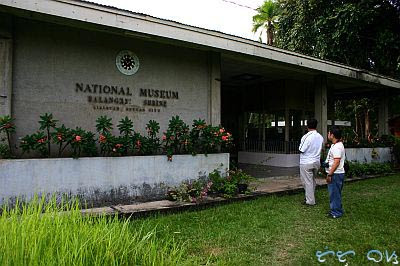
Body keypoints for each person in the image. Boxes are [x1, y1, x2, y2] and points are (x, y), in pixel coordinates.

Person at [298, 118, 324, 206]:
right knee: (312, 180)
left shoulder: (306, 136)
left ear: (307, 126)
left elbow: (301, 149)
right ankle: (310, 197)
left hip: (306, 162)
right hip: (316, 162)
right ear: (316, 125)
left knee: (307, 182)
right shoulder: (320, 137)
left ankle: (310, 201)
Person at [324, 126, 346, 218]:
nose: (328, 135)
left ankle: (336, 213)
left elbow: (336, 162)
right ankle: (337, 209)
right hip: (336, 173)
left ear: (332, 135)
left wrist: (330, 174)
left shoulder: (337, 147)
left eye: (329, 133)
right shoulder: (336, 145)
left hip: (335, 174)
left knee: (334, 193)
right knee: (336, 193)